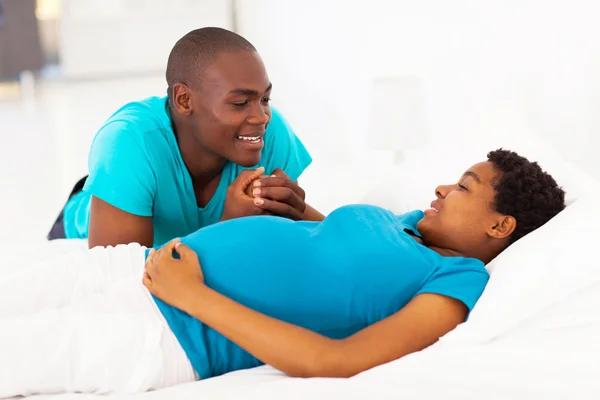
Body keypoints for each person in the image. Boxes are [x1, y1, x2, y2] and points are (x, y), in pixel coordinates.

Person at [1, 149, 566, 397]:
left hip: (174, 332)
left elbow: (334, 362)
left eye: (464, 187)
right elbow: (334, 252)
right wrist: (297, 208)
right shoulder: (413, 223)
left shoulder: (455, 281)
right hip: (140, 267)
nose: (443, 188)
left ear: (500, 227)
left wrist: (193, 295)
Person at [47, 27, 324, 248]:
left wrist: (297, 214)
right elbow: (125, 282)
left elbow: (288, 248)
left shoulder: (270, 132)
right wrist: (228, 226)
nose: (262, 116)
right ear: (184, 100)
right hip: (82, 232)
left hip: (181, 247)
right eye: (240, 103)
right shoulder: (127, 142)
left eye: (265, 98)